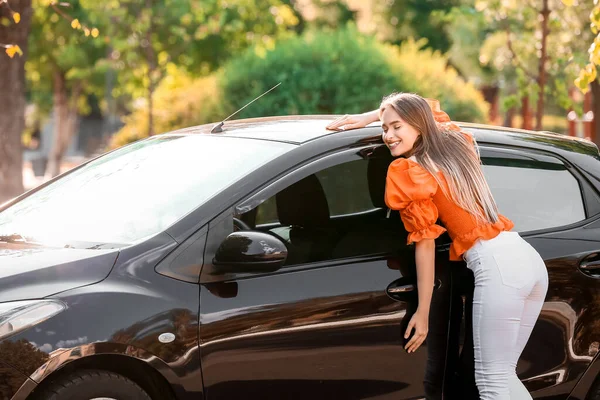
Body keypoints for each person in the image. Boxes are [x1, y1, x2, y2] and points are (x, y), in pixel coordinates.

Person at [326, 93, 548, 400]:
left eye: (396, 127)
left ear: (418, 126)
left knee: (491, 381)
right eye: (384, 127)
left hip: (497, 266)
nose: (388, 135)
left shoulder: (412, 171)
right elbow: (428, 107)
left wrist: (423, 311)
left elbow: (425, 245)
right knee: (503, 376)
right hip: (527, 259)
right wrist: (371, 117)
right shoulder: (456, 143)